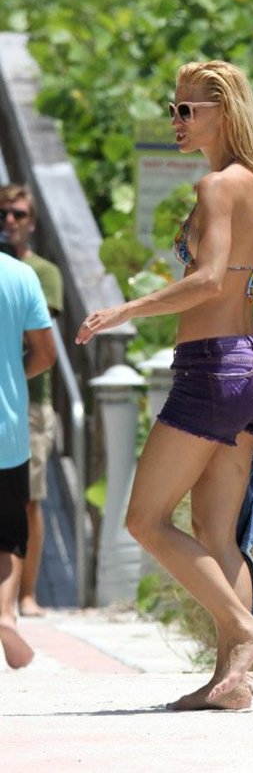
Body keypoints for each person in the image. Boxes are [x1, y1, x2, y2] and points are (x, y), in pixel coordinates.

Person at [76, 60, 253, 710]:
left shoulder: (218, 186)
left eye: (187, 110)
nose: (176, 120)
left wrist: (126, 310)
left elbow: (210, 279)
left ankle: (245, 632)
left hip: (211, 369)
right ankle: (232, 683)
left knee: (144, 518)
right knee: (216, 533)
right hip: (251, 367)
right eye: (172, 109)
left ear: (224, 112)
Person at [0, 184, 64, 618]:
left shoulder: (42, 272)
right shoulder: (20, 276)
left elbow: (38, 340)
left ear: (32, 222)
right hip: (14, 397)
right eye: (3, 213)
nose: (10, 221)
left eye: (18, 214)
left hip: (33, 401)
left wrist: (8, 377)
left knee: (30, 500)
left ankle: (27, 593)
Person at [0, 248, 56, 668]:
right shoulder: (20, 275)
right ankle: (5, 614)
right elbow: (46, 354)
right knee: (8, 535)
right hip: (7, 429)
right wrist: (12, 379)